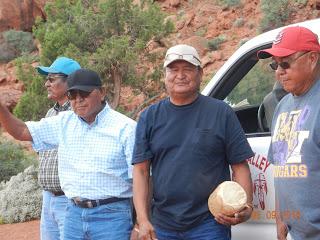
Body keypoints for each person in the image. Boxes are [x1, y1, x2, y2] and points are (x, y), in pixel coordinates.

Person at [132, 44, 254, 240]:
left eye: (188, 69)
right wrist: (142, 220)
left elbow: (240, 166)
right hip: (162, 224)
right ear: (165, 75)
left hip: (210, 223)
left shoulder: (221, 112)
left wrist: (246, 206)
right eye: (173, 69)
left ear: (200, 73)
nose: (180, 75)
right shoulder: (149, 117)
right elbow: (141, 171)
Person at [0, 68, 136, 240]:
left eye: (84, 93)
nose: (78, 100)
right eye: (72, 95)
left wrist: (141, 222)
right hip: (73, 214)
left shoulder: (126, 128)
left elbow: (142, 178)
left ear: (102, 93)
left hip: (112, 216)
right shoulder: (64, 122)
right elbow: (21, 131)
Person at [258, 26, 320, 240]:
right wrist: (281, 217)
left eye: (285, 63)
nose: (279, 71)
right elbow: (280, 167)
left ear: (312, 59)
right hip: (297, 233)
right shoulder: (283, 105)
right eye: (275, 64)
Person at [36, 57, 80, 240]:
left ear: (69, 82)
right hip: (48, 199)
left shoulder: (79, 113)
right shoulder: (51, 113)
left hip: (68, 200)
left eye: (51, 79)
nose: (47, 84)